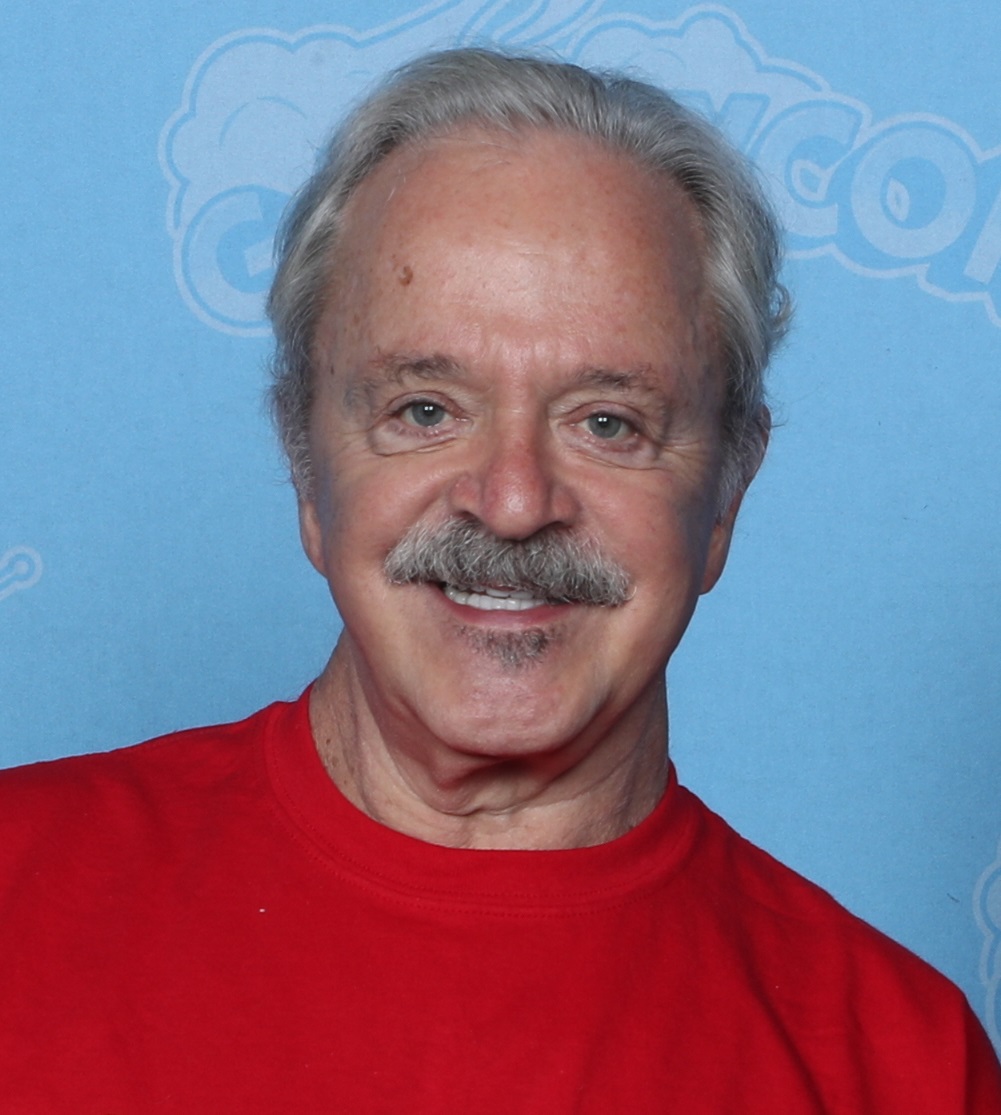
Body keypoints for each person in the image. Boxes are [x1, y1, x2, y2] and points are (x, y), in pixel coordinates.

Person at [1, 47, 999, 1113]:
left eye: (606, 422)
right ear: (302, 458)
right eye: (426, 409)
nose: (514, 501)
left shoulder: (901, 1065)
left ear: (727, 489)